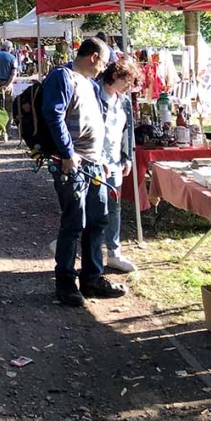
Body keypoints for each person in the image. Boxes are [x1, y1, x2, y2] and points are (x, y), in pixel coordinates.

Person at [42, 37, 126, 307]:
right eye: (102, 62)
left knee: (97, 220)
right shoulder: (62, 77)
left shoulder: (89, 84)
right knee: (74, 222)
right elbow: (53, 115)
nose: (103, 69)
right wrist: (67, 153)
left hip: (93, 164)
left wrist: (100, 157)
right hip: (73, 165)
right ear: (93, 57)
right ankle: (65, 283)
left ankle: (92, 278)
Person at [97, 58, 140, 273]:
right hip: (94, 162)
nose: (128, 87)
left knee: (114, 207)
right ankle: (70, 243)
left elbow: (127, 131)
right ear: (114, 76)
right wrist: (96, 158)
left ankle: (114, 252)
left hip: (115, 162)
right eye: (127, 81)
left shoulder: (123, 101)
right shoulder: (94, 95)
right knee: (91, 208)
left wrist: (127, 156)